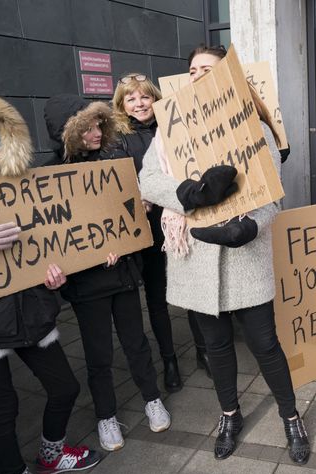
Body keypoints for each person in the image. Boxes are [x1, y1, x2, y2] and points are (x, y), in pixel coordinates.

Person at [138, 45, 310, 464]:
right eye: (192, 68)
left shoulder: (256, 128)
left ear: (227, 76)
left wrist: (250, 226)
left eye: (207, 69)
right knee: (215, 348)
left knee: (265, 344)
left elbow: (271, 195)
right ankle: (229, 415)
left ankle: (290, 417)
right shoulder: (168, 129)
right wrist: (187, 193)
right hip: (193, 254)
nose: (197, 75)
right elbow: (148, 179)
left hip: (244, 255)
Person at [43, 94, 171, 452]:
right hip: (86, 287)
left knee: (136, 343)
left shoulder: (115, 161)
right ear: (68, 133)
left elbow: (130, 218)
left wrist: (128, 233)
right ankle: (106, 417)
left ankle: (152, 398)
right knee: (98, 355)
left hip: (123, 275)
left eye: (99, 124)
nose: (96, 132)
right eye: (87, 128)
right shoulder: (51, 176)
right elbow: (52, 239)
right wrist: (63, 269)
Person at [0, 97, 102, 474]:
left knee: (65, 388)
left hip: (32, 311)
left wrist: (55, 274)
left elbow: (49, 241)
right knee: (3, 410)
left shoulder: (27, 184)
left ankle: (51, 455)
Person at [111, 73, 211, 390]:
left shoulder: (175, 128)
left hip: (181, 220)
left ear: (155, 99)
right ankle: (169, 359)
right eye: (131, 98)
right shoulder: (119, 139)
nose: (140, 103)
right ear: (122, 105)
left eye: (145, 96)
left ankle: (203, 350)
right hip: (149, 228)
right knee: (157, 296)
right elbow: (116, 183)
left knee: (194, 289)